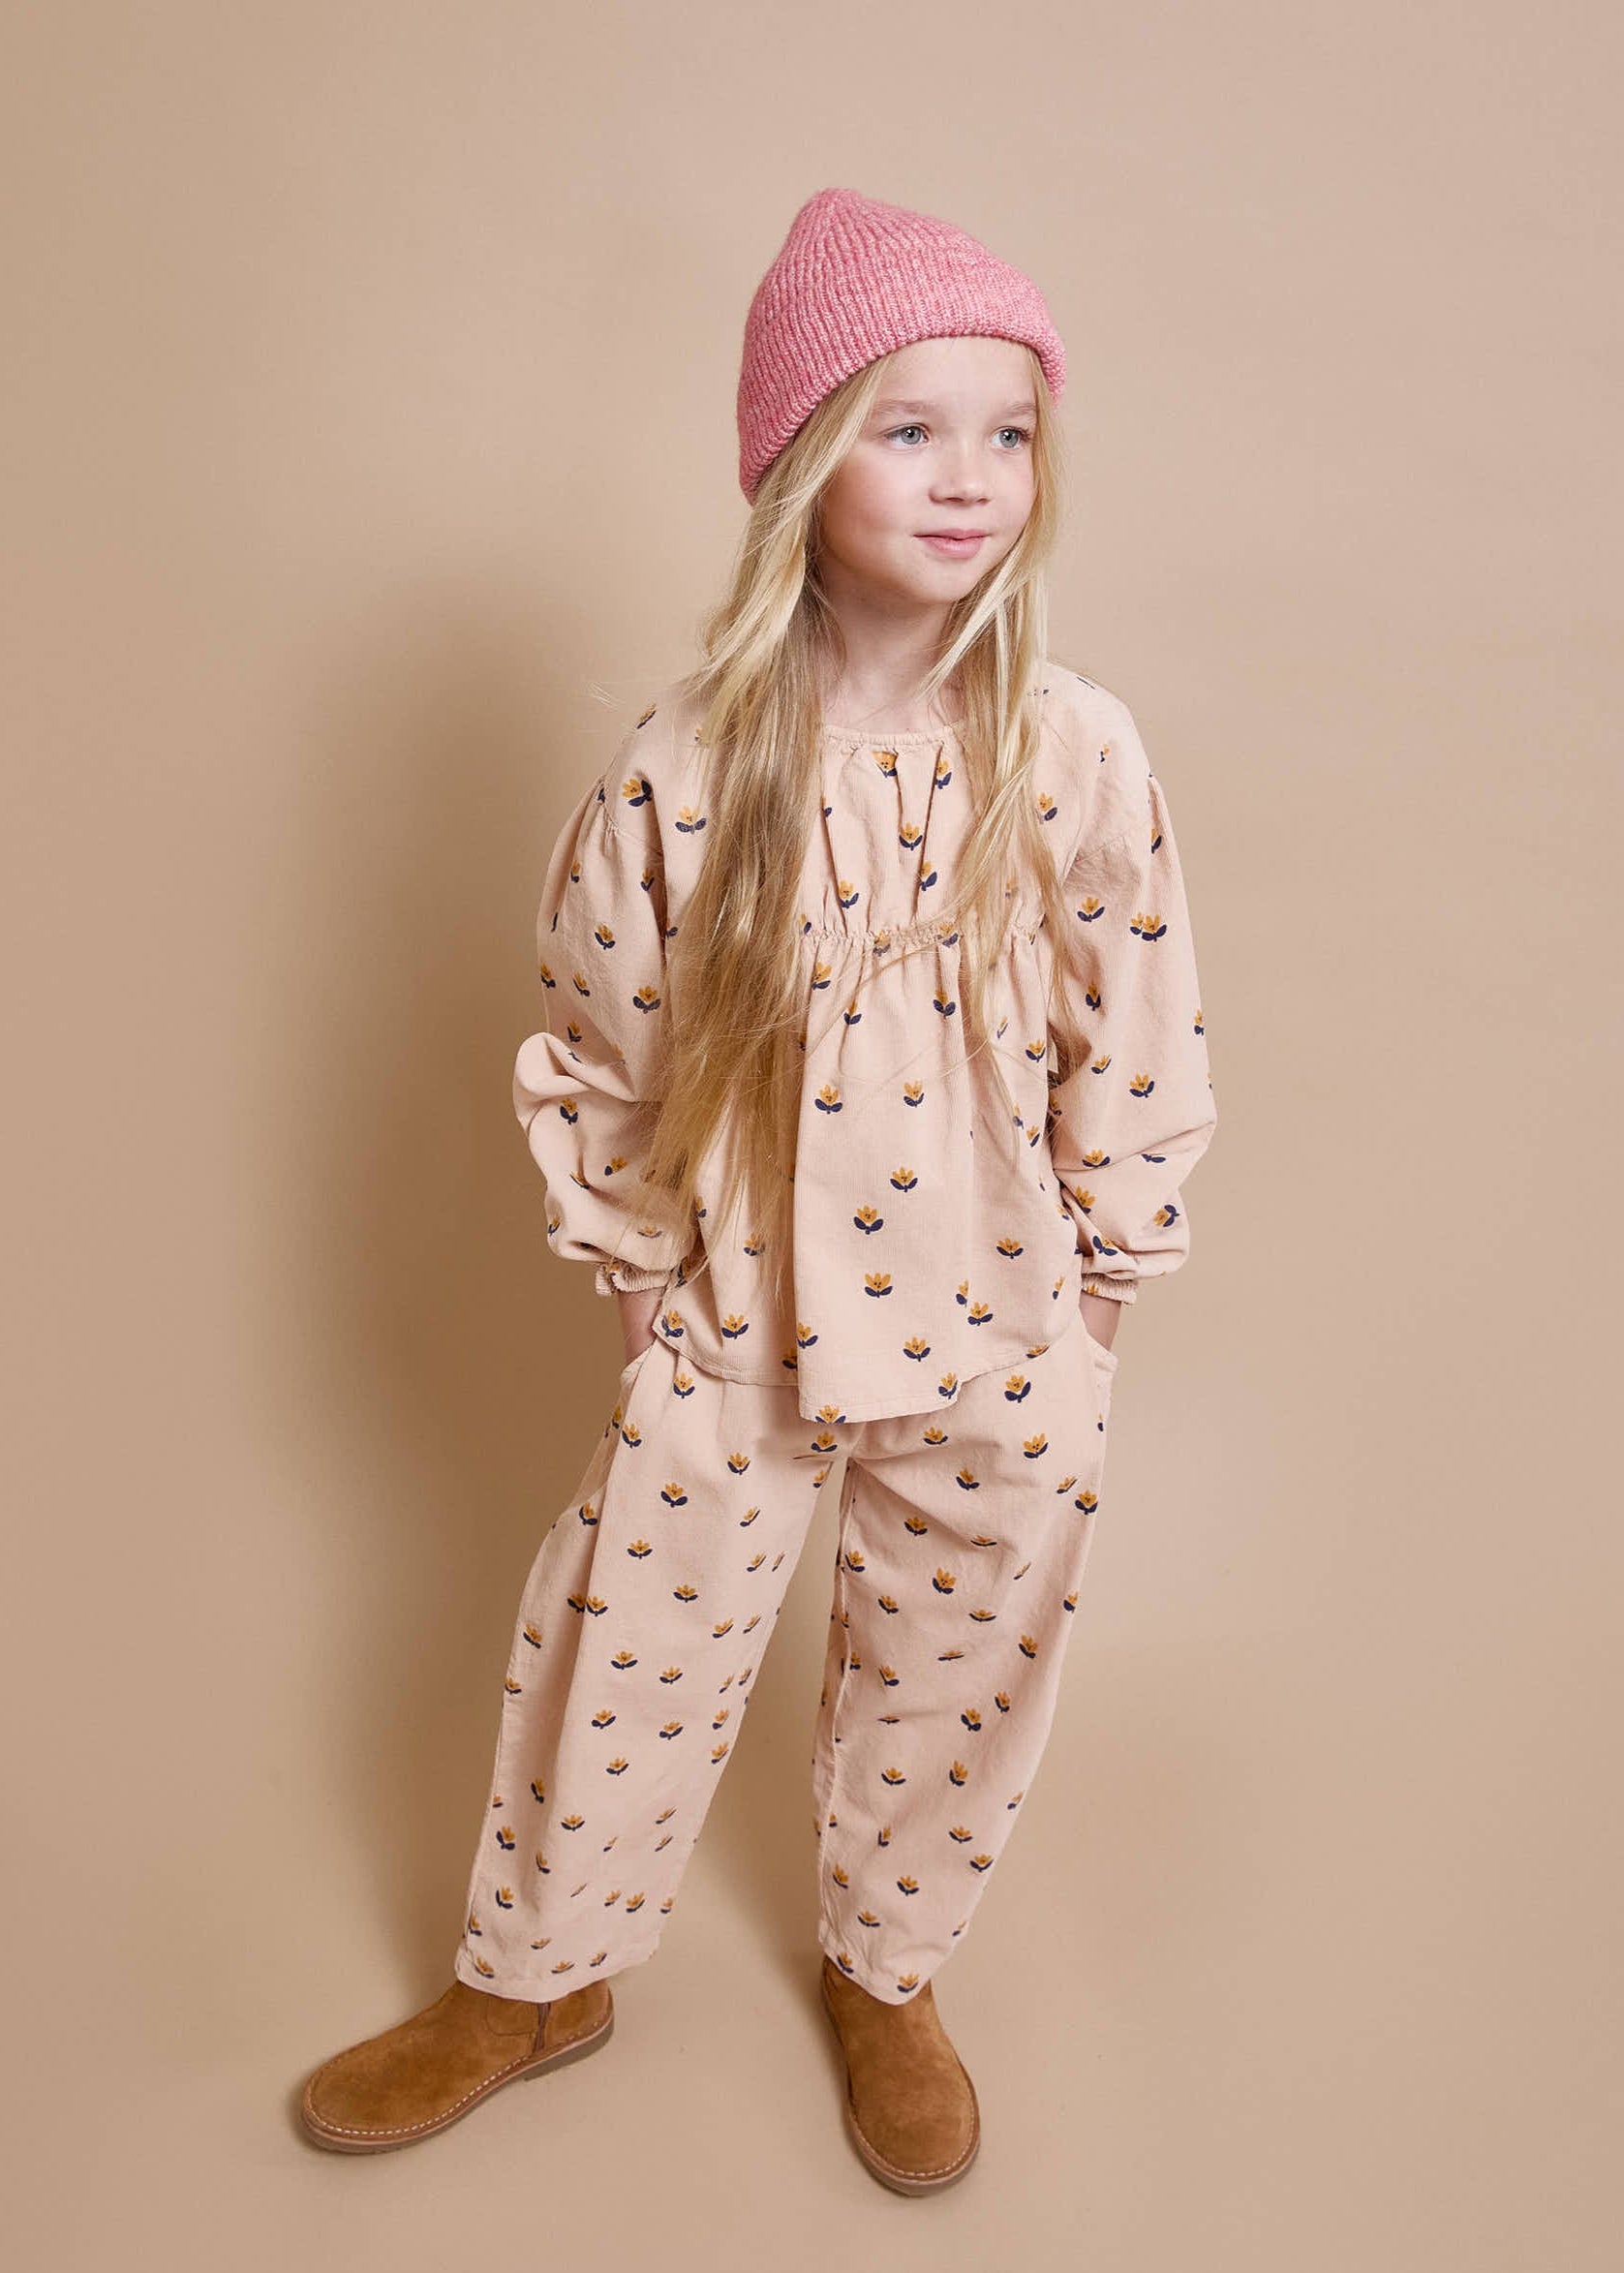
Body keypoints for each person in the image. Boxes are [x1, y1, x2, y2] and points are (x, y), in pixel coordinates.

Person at [298, 185, 1219, 2195]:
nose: (968, 478)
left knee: (961, 1654)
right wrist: (642, 1269)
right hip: (742, 1320)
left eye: (1006, 431)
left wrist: (1100, 1293)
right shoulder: (689, 768)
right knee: (619, 1633)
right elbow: (604, 1028)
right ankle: (534, 1972)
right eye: (907, 428)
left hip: (1004, 1321)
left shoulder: (1069, 754)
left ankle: (884, 1968)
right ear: (802, 456)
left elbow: (1134, 1021)